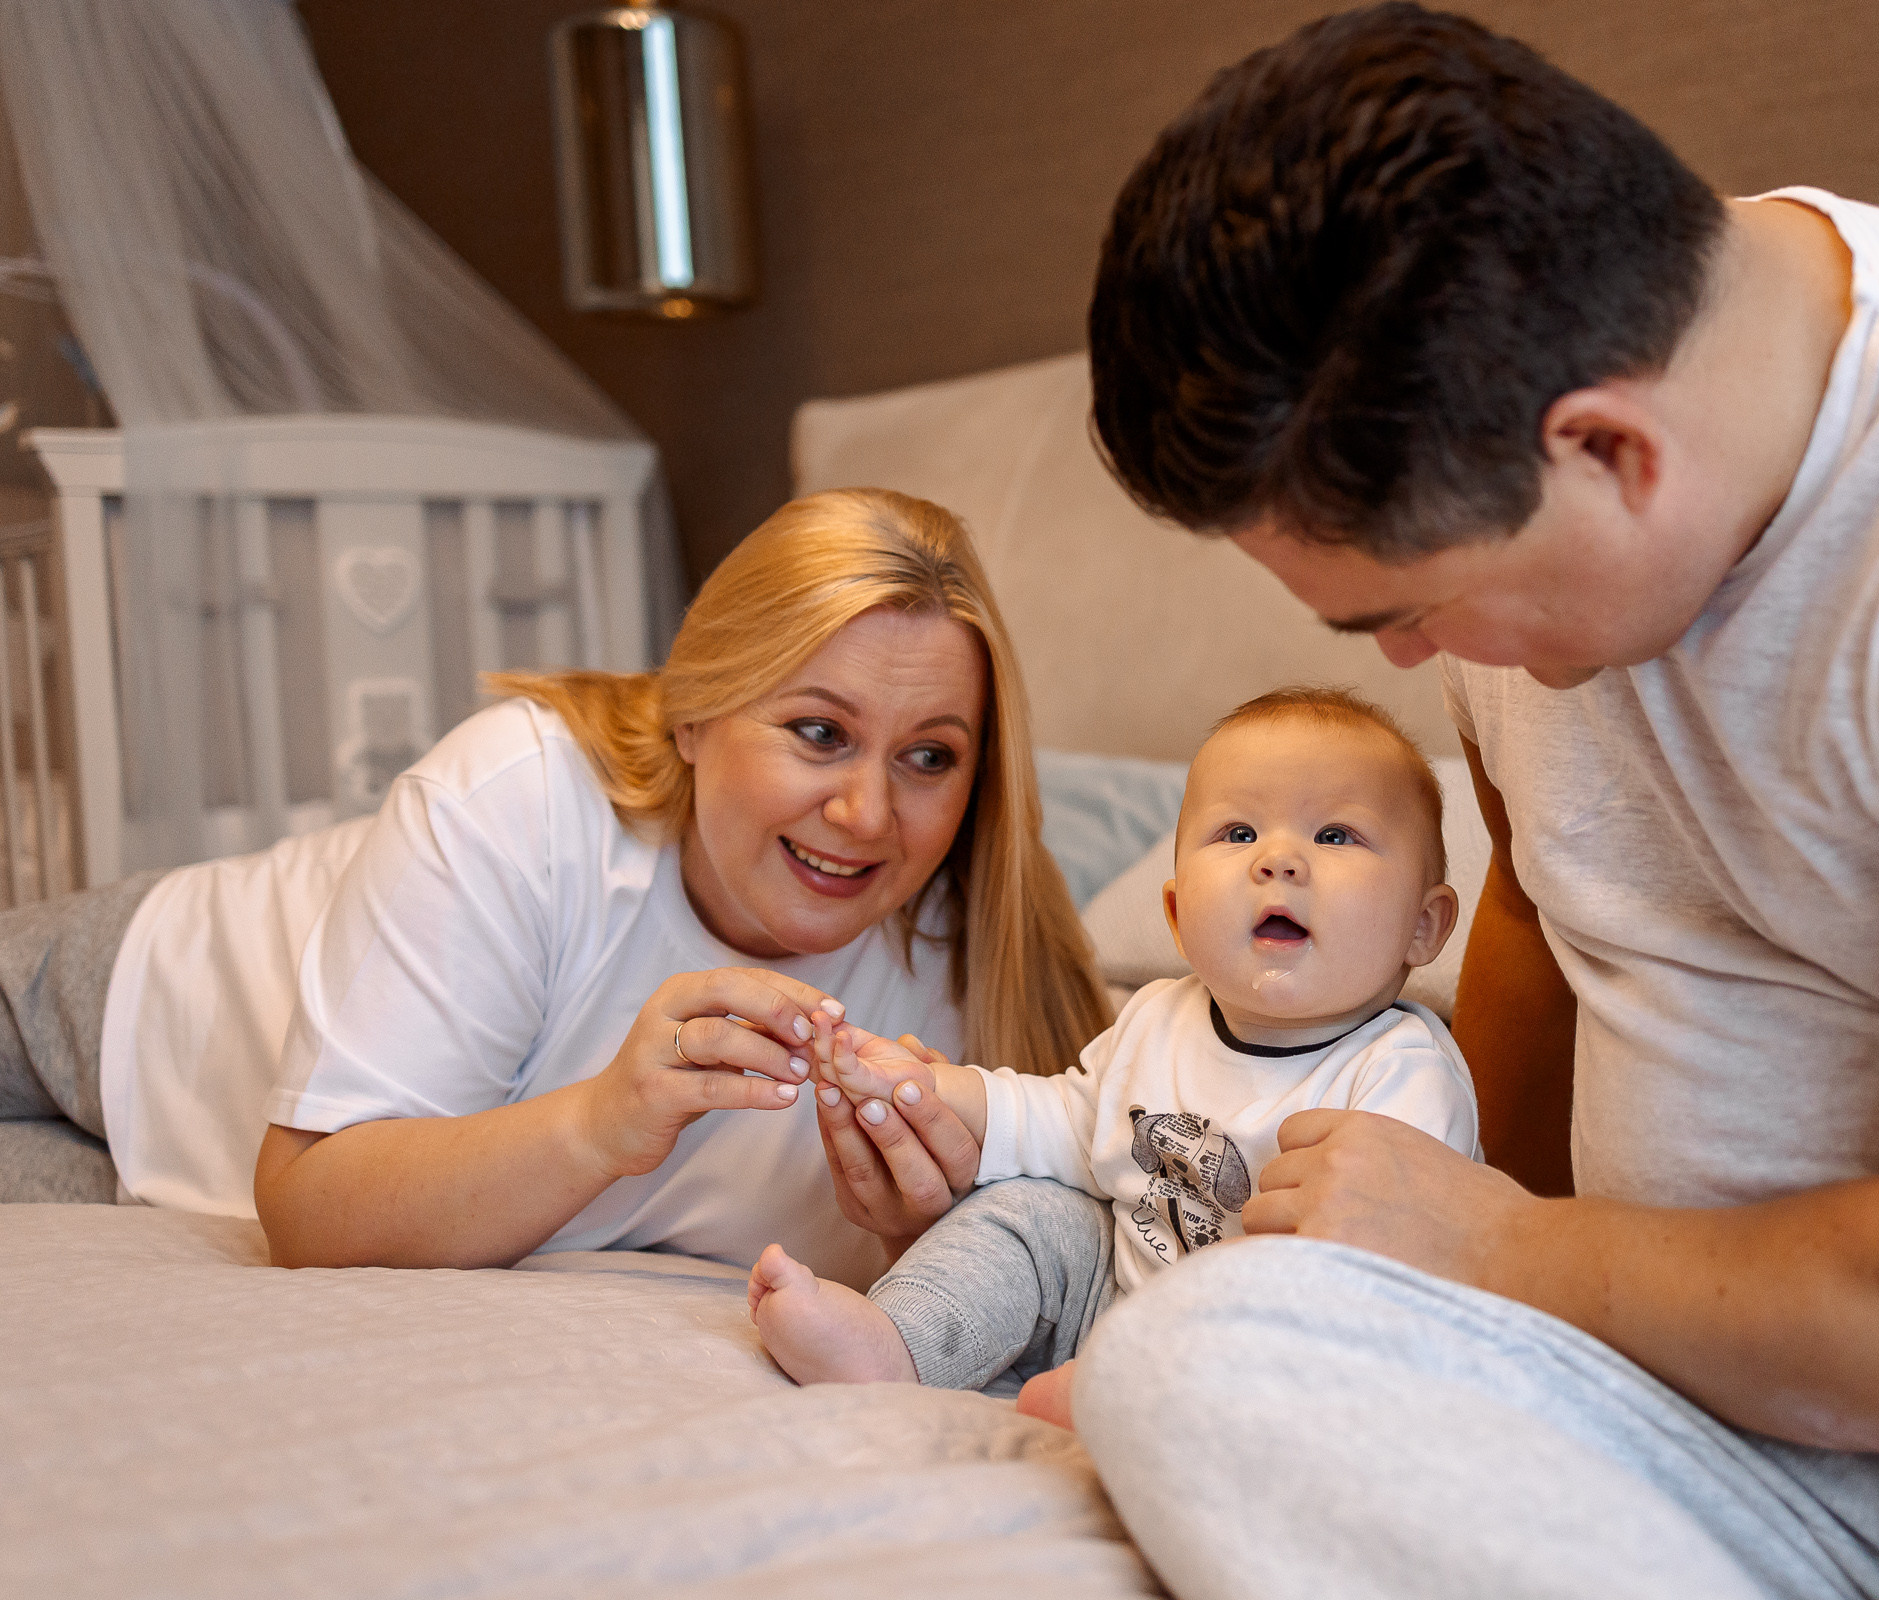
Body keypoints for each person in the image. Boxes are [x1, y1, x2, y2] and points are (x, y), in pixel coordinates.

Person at [1043, 6, 1879, 1598]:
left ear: (1609, 450)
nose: (1405, 659)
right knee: (1184, 1361)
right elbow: (1540, 907)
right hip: (1684, 1408)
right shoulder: (1525, 491)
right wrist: (1444, 1285)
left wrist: (1488, 1245)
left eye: (1409, 608)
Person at [0, 486, 1103, 1282]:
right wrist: (604, 1122)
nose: (866, 813)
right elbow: (311, 1200)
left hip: (181, 1177)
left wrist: (915, 1240)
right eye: (819, 732)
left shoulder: (983, 973)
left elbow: (1090, 1247)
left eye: (929, 756)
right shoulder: (524, 792)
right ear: (694, 710)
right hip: (136, 1002)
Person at [746, 687, 1477, 1426]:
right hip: (1119, 1296)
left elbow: (1384, 1266)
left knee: (1311, 1332)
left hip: (1277, 1352)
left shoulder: (1401, 1072)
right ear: (1177, 916)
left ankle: (1133, 1400)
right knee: (1029, 1212)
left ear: (1424, 926)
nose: (1278, 861)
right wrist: (930, 1088)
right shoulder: (1158, 1017)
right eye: (1239, 832)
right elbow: (1068, 1121)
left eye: (1336, 836)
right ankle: (898, 1342)